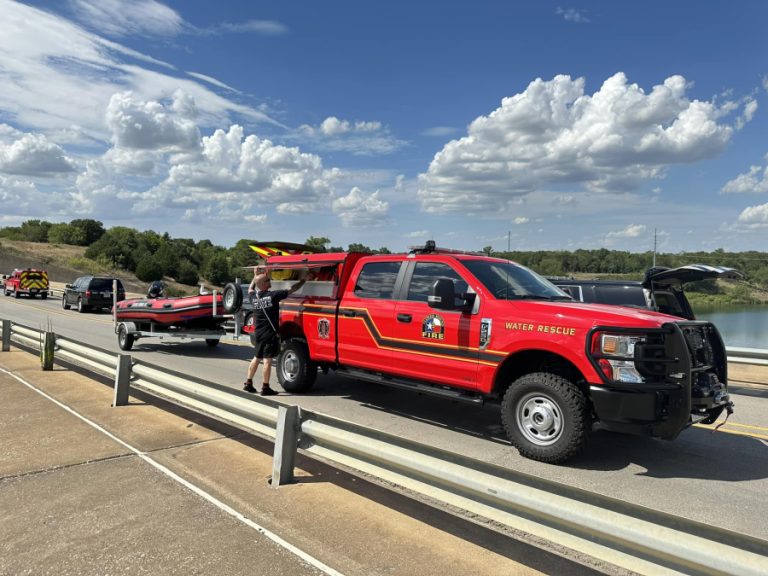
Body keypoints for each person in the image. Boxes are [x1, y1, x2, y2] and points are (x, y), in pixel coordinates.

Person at [243, 269, 314, 395]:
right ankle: (265, 387)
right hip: (269, 334)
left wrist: (255, 276)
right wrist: (304, 280)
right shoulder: (273, 296)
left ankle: (248, 383)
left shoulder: (254, 297)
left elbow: (250, 288)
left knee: (256, 357)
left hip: (258, 333)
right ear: (264, 284)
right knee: (267, 360)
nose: (270, 281)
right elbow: (291, 289)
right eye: (267, 280)